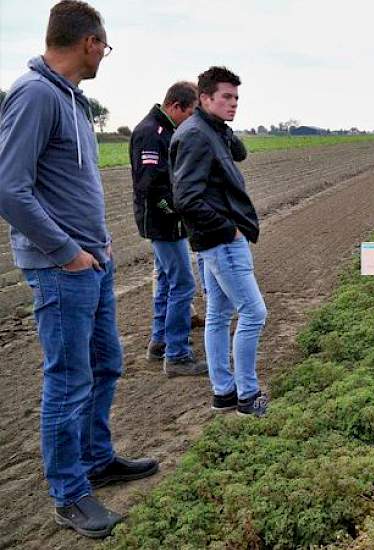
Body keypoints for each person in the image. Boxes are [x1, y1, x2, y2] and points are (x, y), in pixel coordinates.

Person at [0, 1, 158, 538]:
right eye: (104, 47)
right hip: (61, 269)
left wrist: (99, 242)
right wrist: (67, 250)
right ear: (90, 42)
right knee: (68, 382)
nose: (104, 57)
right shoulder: (36, 94)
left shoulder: (71, 98)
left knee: (105, 364)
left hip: (93, 261)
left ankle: (95, 459)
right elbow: (10, 189)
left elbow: (70, 183)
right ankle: (69, 495)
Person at [170, 66, 268, 417]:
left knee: (218, 315)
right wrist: (229, 230)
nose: (234, 103)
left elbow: (239, 155)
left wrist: (224, 127)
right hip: (222, 241)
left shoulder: (210, 130)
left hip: (212, 242)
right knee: (254, 313)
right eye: (226, 97)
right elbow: (186, 198)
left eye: (237, 98)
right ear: (204, 98)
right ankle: (248, 395)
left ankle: (223, 393)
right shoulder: (196, 134)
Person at [131, 81, 209, 376]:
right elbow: (151, 187)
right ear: (175, 106)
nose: (192, 121)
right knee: (183, 284)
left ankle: (160, 342)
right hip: (163, 223)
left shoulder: (168, 130)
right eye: (190, 113)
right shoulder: (152, 133)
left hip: (170, 221)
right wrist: (177, 211)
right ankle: (177, 355)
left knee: (166, 279)